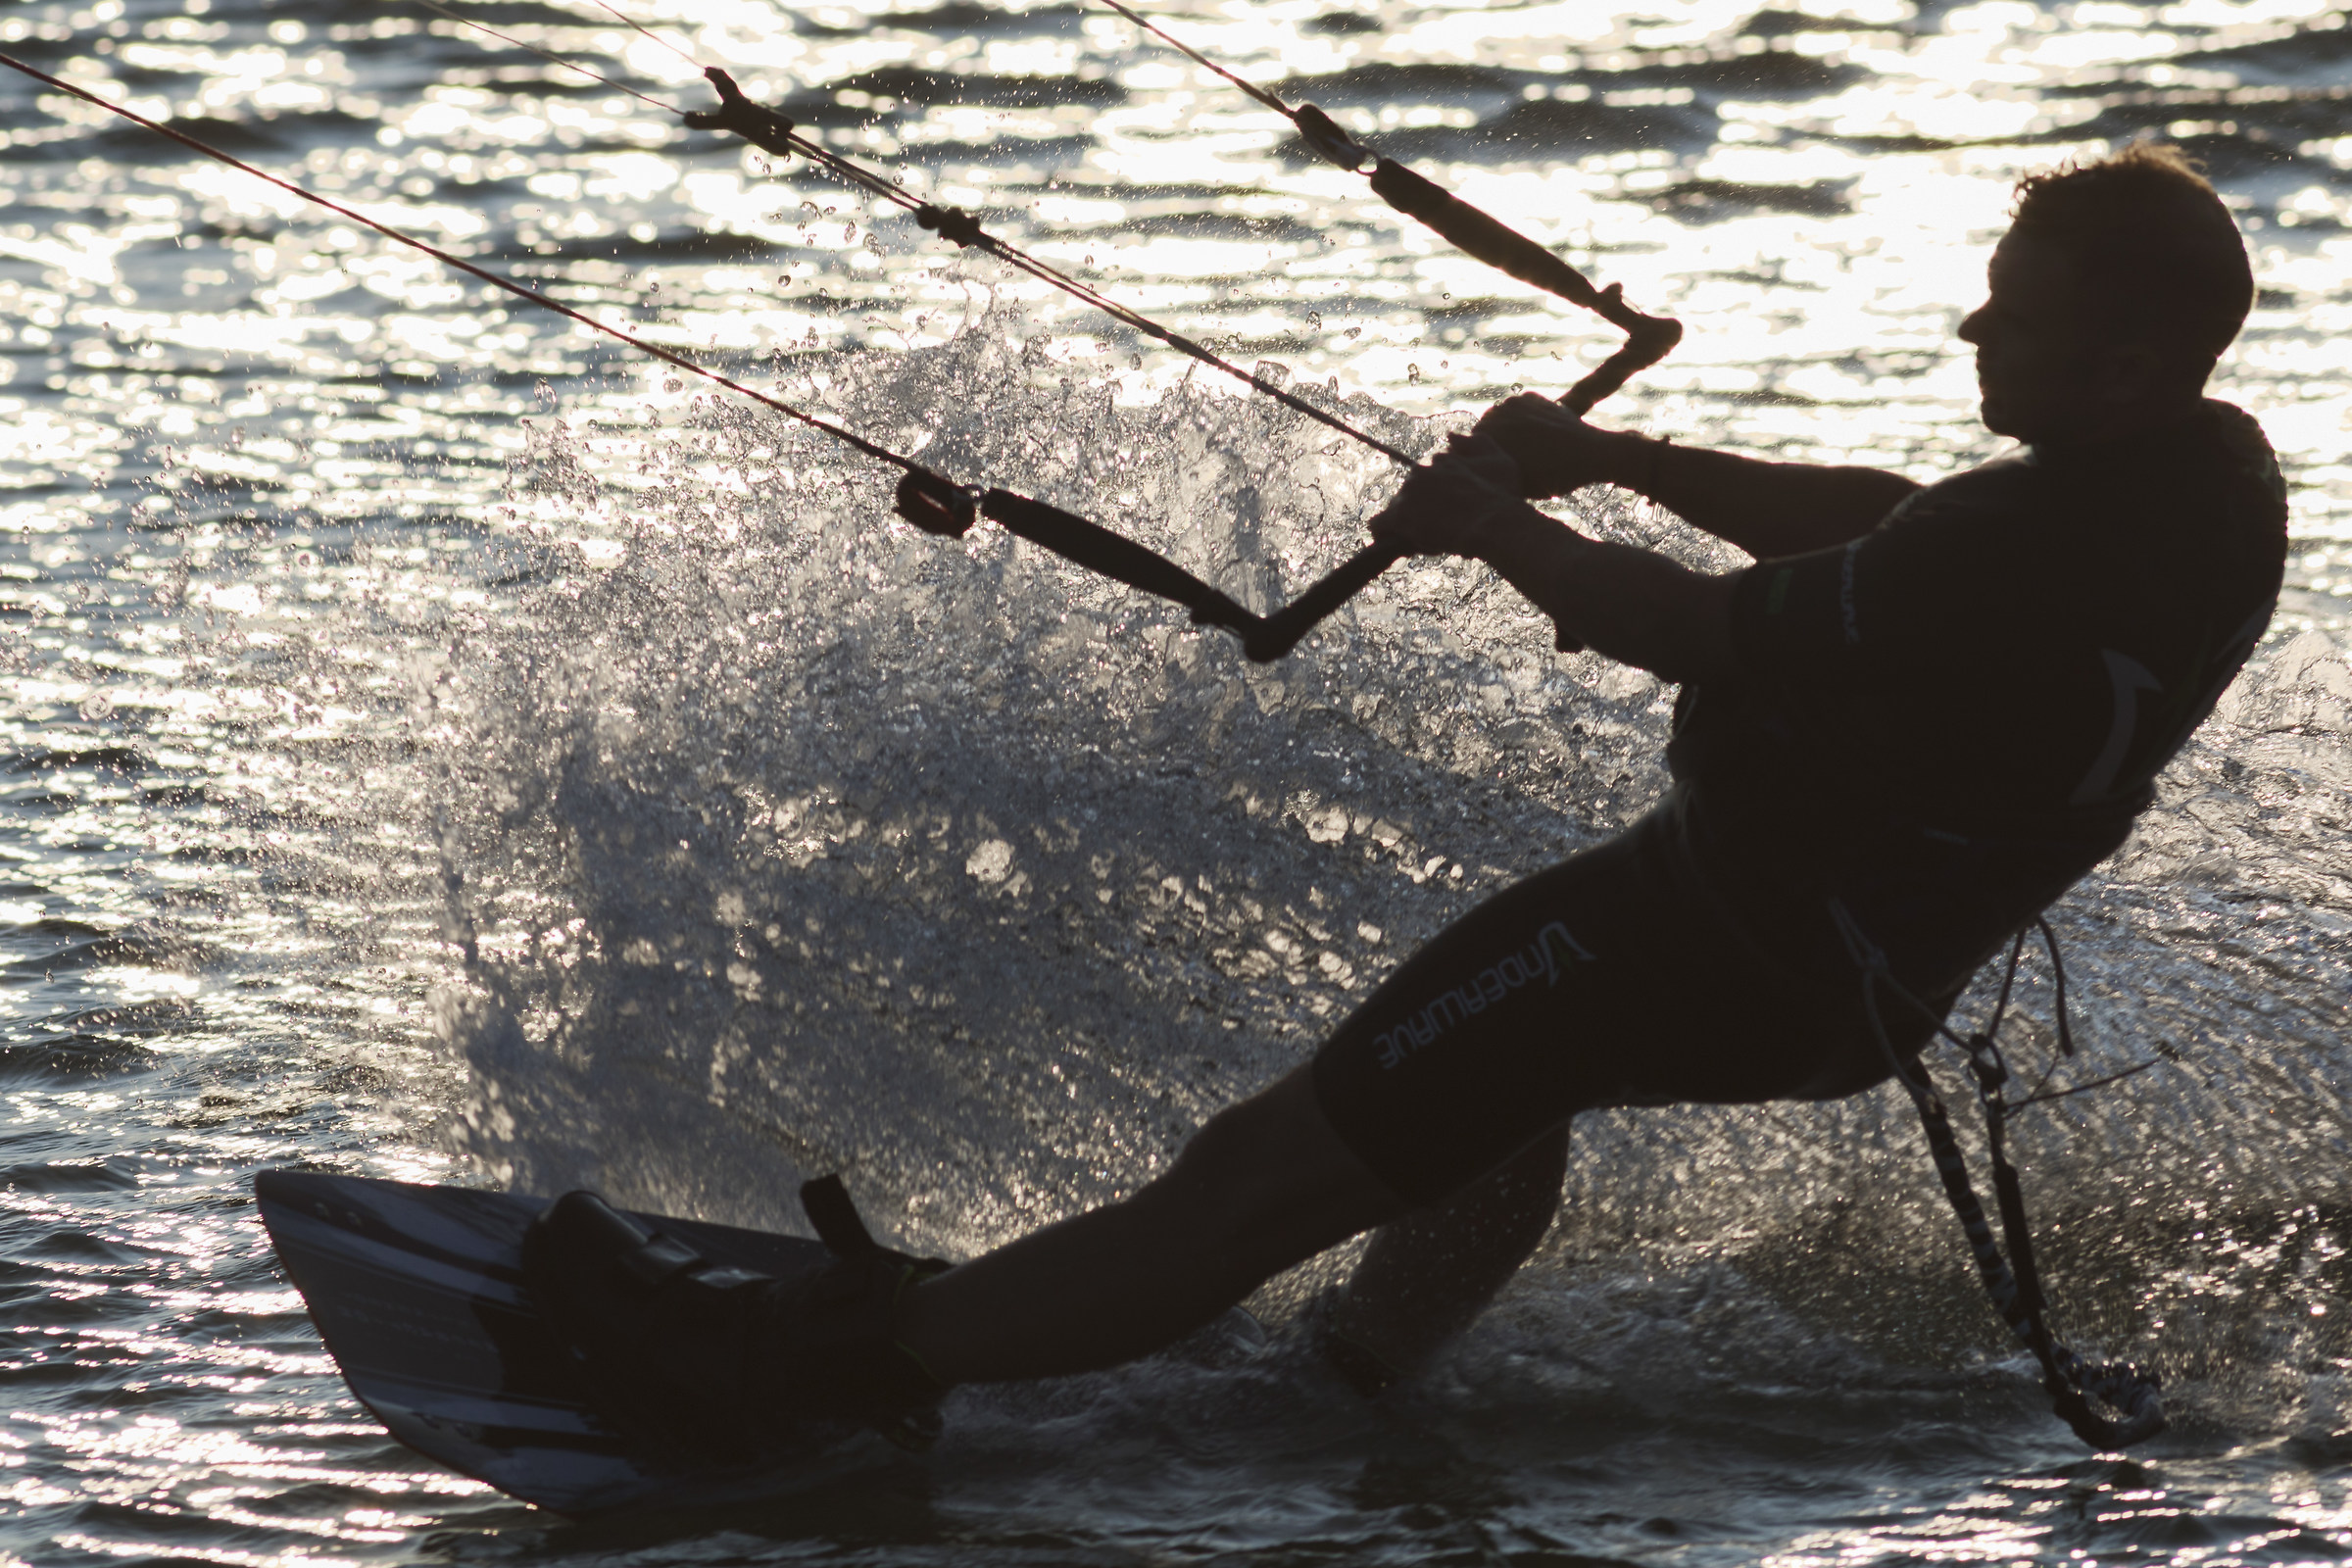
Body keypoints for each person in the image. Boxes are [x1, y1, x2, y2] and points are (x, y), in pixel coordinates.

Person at [524, 142, 2287, 1451]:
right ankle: (1353, 1381)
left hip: (1701, 940)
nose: (1976, 319)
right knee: (1493, 1110)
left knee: (1262, 1169)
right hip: (1848, 989)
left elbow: (1653, 620)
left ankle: (815, 1382)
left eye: (2020, 312)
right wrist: (1612, 453)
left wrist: (1496, 521)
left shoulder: (2012, 541)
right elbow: (1889, 518)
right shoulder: (2211, 482)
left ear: (2124, 365)